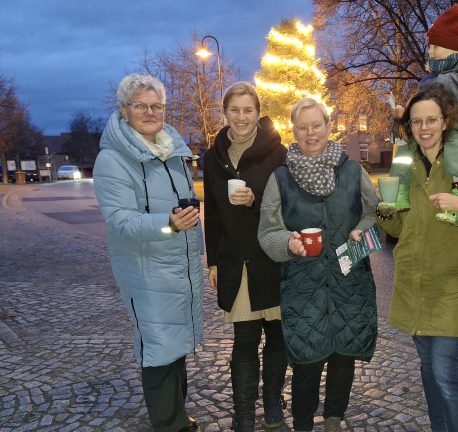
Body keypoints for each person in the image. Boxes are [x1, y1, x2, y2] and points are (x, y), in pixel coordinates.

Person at [378, 85, 458, 432]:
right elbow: (398, 229)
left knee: (445, 372)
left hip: (451, 286)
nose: (424, 128)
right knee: (428, 370)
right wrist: (384, 208)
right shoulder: (406, 166)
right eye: (417, 121)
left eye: (431, 119)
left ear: (446, 121)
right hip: (412, 284)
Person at [258, 97, 378, 432]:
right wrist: (288, 244)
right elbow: (267, 232)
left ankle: (334, 418)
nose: (311, 133)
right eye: (302, 127)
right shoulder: (280, 179)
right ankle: (303, 424)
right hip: (302, 285)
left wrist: (361, 237)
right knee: (306, 362)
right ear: (293, 131)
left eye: (317, 125)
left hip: (349, 282)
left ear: (328, 126)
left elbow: (376, 217)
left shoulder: (354, 171)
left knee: (344, 356)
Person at [93, 73, 203, 432]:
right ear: (125, 110)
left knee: (177, 344)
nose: (150, 112)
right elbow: (120, 221)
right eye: (141, 105)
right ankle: (170, 426)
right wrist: (168, 224)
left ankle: (178, 417)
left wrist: (191, 238)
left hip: (179, 265)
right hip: (146, 271)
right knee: (158, 349)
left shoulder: (172, 151)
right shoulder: (113, 160)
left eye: (156, 105)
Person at [203, 82, 288, 431]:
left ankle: (272, 404)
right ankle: (243, 414)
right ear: (225, 113)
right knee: (245, 340)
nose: (241, 117)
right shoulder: (213, 156)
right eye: (234, 110)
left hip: (272, 258)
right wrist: (212, 261)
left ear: (258, 112)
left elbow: (289, 208)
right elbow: (213, 212)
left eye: (248, 110)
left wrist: (257, 202)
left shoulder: (278, 153)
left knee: (278, 337)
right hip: (236, 259)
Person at [385, 3, 458, 226]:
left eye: (435, 47)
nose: (430, 52)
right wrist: (405, 111)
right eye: (430, 47)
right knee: (403, 151)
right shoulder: (429, 79)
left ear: (453, 47)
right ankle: (400, 191)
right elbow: (420, 104)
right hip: (432, 132)